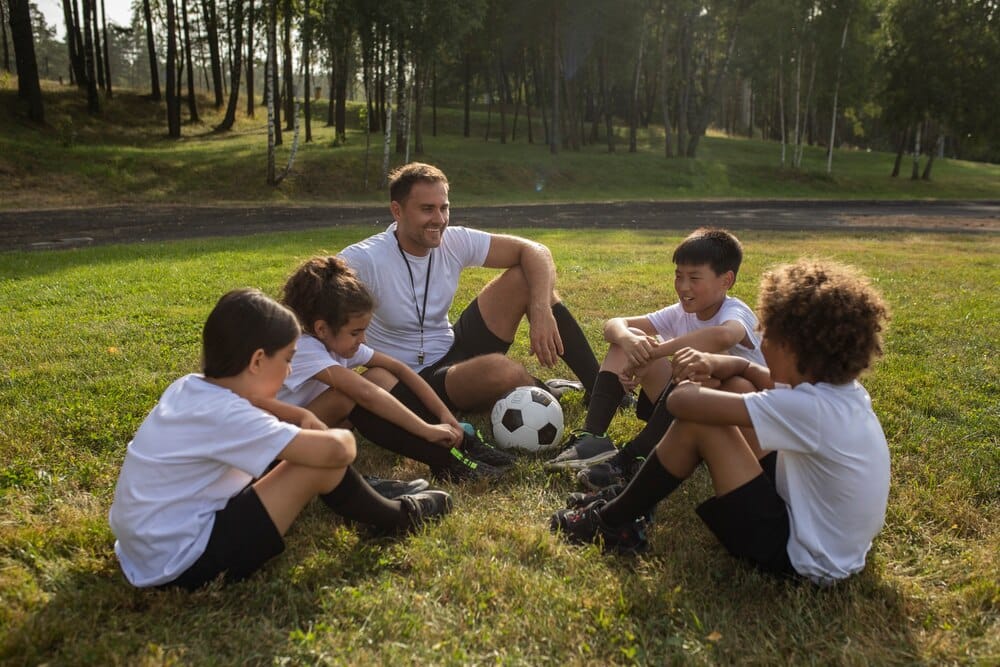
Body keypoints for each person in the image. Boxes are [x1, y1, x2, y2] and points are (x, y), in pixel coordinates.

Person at [550, 259, 891, 586]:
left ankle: (613, 522)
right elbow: (755, 376)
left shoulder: (808, 409)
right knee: (738, 387)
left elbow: (681, 403)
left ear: (792, 349)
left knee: (699, 423)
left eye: (766, 335)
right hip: (821, 533)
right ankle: (630, 501)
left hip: (801, 559)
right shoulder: (838, 391)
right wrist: (733, 366)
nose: (760, 342)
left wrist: (693, 375)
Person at [108, 289, 453, 590]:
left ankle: (368, 497)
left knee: (297, 455)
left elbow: (250, 416)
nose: (290, 371)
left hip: (143, 551)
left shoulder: (188, 387)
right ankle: (396, 516)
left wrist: (294, 415)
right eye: (287, 359)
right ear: (258, 360)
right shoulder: (231, 416)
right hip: (181, 566)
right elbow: (338, 450)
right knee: (315, 464)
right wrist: (311, 422)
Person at [338, 162, 599, 414]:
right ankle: (541, 393)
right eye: (427, 209)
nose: (439, 219)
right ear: (397, 211)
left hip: (454, 346)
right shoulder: (365, 259)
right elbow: (311, 304)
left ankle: (600, 389)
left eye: (444, 208)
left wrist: (541, 310)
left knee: (524, 279)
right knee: (502, 371)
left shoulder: (453, 240)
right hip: (416, 377)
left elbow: (535, 251)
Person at [546, 228, 766, 490]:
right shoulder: (680, 312)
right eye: (678, 276)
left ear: (726, 280)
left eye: (694, 278)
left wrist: (655, 352)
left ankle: (637, 456)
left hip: (738, 427)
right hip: (681, 408)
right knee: (630, 339)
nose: (683, 287)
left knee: (701, 369)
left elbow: (723, 337)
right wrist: (631, 341)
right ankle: (593, 437)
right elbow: (614, 325)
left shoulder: (735, 311)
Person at [277, 256, 513, 482]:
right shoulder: (303, 347)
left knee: (379, 376)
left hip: (308, 430)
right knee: (348, 394)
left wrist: (443, 416)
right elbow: (364, 394)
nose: (363, 339)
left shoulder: (335, 341)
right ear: (321, 328)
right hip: (275, 450)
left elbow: (398, 369)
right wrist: (425, 429)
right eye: (356, 332)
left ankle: (459, 441)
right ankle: (443, 461)